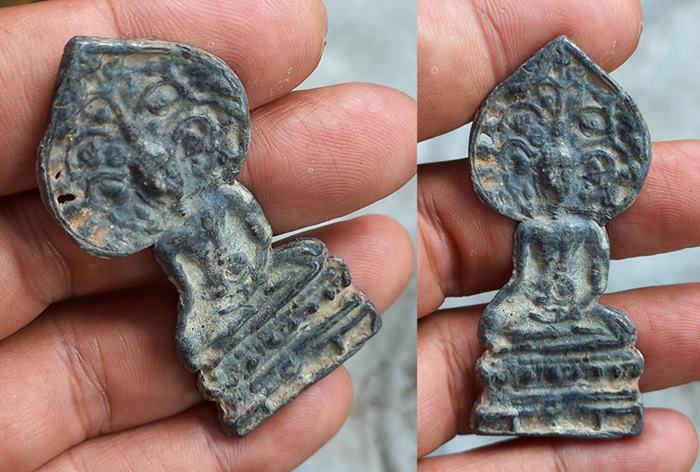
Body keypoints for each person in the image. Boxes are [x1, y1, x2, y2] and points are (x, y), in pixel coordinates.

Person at [0, 0, 415, 470]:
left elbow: (256, 234)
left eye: (163, 160)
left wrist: (248, 272)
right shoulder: (168, 236)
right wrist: (220, 295)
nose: (159, 176)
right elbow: (193, 285)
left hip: (266, 277)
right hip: (222, 306)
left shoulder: (225, 195)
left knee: (311, 261)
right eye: (142, 176)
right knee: (195, 342)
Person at [417, 0, 699, 470]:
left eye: (565, 173)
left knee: (617, 332)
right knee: (496, 325)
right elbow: (522, 281)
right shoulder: (531, 227)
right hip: (534, 308)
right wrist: (530, 304)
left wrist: (570, 305)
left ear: (581, 174)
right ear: (534, 172)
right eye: (548, 172)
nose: (556, 179)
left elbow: (592, 282)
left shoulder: (587, 228)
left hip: (577, 311)